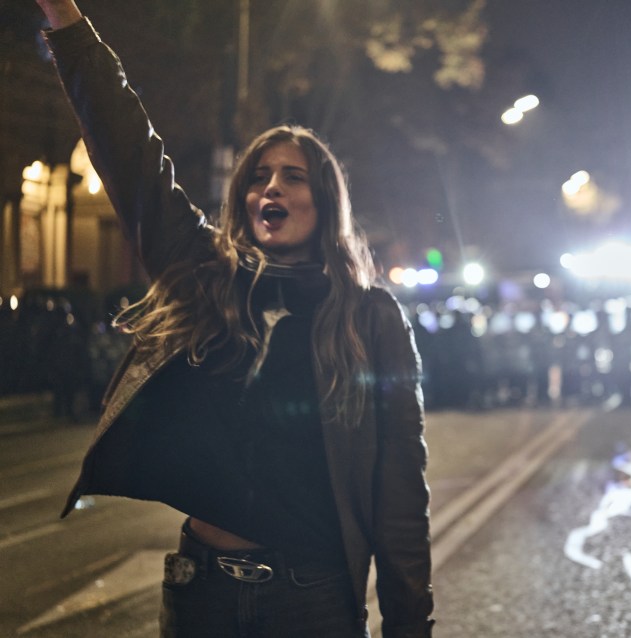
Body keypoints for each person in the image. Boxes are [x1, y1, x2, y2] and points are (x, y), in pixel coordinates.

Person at [33, 1, 434, 636]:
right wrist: (65, 22)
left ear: (326, 203)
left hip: (312, 599)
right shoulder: (208, 279)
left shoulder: (368, 317)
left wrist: (410, 624)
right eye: (258, 177)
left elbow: (400, 494)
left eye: (293, 177)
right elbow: (129, 151)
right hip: (199, 594)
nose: (269, 188)